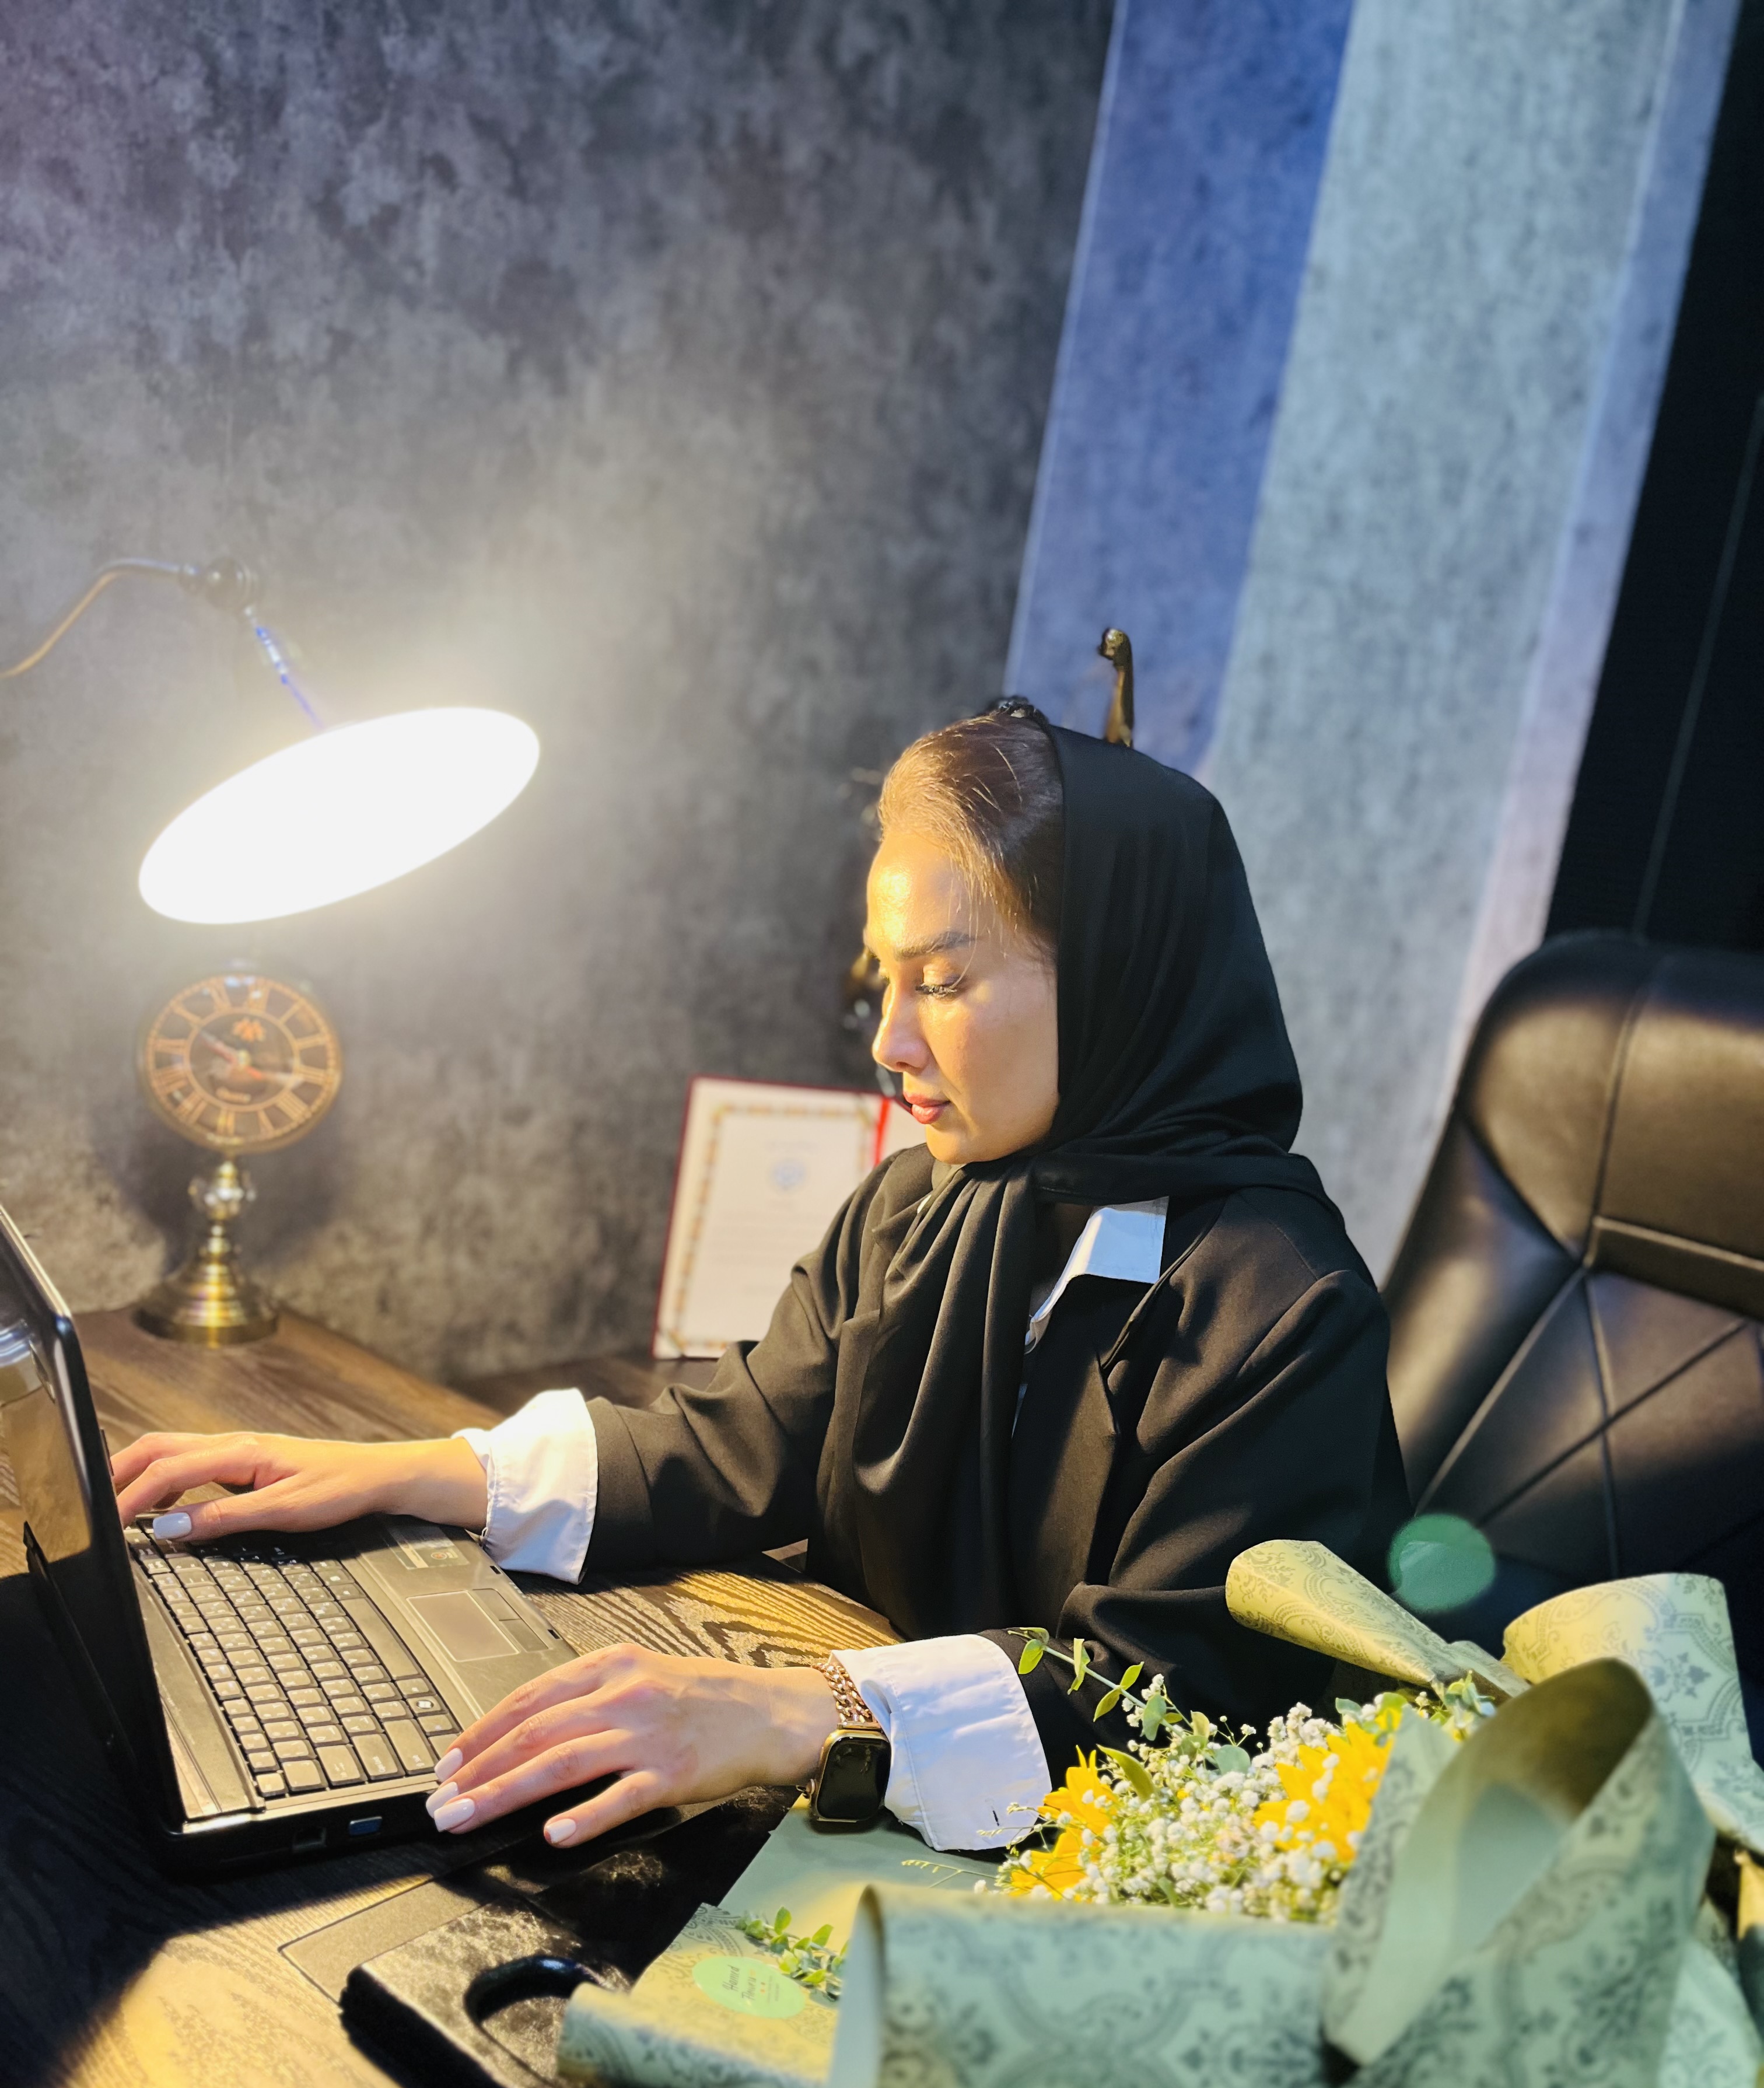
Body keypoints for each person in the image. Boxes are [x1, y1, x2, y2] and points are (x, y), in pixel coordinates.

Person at [111, 709, 1410, 1857]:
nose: (892, 1040)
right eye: (885, 980)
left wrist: (801, 1710)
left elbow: (1175, 1701)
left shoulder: (1280, 1313)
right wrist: (410, 1473)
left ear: (1124, 981)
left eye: (943, 981)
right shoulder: (923, 1205)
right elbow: (740, 1439)